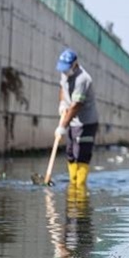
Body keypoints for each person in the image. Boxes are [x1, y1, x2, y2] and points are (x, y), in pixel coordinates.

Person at [55, 48, 98, 186]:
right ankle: (72, 182)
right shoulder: (65, 73)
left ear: (75, 64)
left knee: (81, 154)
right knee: (70, 153)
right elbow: (62, 88)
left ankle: (79, 187)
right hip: (72, 120)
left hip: (86, 123)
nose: (64, 72)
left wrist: (62, 127)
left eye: (66, 68)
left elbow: (76, 106)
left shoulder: (83, 79)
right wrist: (62, 103)